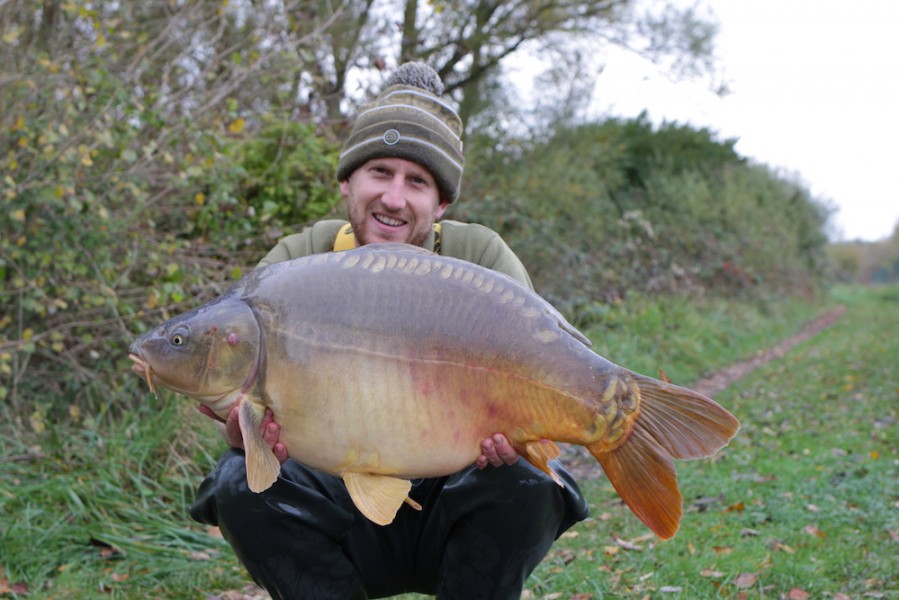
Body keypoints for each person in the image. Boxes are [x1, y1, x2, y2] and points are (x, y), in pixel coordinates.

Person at [190, 62, 588, 600]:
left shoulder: (482, 259)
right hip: (338, 514)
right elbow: (244, 406)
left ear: (442, 203)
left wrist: (518, 441)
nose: (394, 199)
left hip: (453, 507)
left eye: (417, 181)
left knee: (529, 482)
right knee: (238, 480)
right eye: (379, 172)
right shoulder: (294, 265)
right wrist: (243, 433)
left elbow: (545, 376)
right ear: (347, 181)